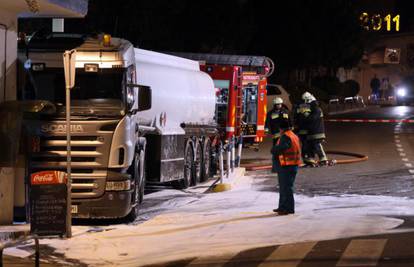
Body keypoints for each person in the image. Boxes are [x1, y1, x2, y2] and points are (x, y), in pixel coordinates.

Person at [271, 118, 301, 215]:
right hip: (292, 165)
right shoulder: (293, 135)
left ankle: (287, 209)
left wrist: (274, 149)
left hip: (287, 166)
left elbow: (282, 148)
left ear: (281, 128)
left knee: (286, 188)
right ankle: (283, 207)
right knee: (285, 187)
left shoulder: (286, 137)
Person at [302, 92, 328, 165]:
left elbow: (312, 119)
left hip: (317, 131)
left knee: (317, 144)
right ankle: (311, 158)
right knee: (310, 145)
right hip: (312, 131)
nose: (305, 104)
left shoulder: (316, 109)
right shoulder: (313, 108)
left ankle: (323, 158)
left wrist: (306, 115)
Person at [265, 97, 290, 172]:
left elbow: (289, 121)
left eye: (280, 104)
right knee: (276, 151)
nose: (279, 106)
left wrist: (291, 128)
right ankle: (276, 167)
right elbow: (267, 122)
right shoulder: (270, 113)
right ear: (274, 105)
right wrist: (266, 130)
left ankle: (285, 165)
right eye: (277, 104)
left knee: (285, 150)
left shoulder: (285, 111)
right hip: (276, 134)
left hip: (285, 134)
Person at [293, 98, 311, 165]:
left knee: (304, 144)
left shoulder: (299, 107)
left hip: (301, 129)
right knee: (306, 144)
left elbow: (295, 118)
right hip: (306, 130)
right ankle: (306, 157)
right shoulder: (310, 107)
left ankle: (304, 157)